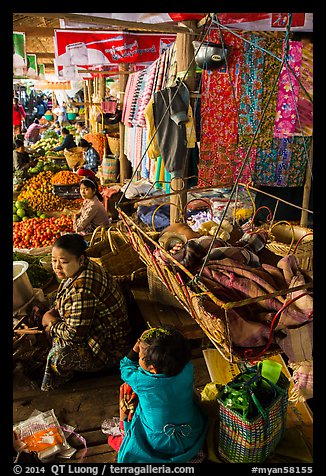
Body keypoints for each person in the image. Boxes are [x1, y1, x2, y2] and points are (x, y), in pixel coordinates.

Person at [41, 233, 133, 391]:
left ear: (81, 259)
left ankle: (81, 375)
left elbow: (74, 335)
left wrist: (51, 322)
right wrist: (53, 315)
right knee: (52, 301)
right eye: (54, 260)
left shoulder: (82, 290)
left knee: (58, 357)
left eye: (63, 262)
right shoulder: (85, 267)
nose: (56, 266)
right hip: (98, 328)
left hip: (111, 348)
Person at [107, 326, 208, 463]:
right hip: (191, 433)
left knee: (127, 390)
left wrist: (137, 345)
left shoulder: (141, 381)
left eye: (140, 357)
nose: (139, 356)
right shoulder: (187, 368)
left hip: (158, 443)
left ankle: (125, 434)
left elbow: (125, 366)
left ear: (153, 369)